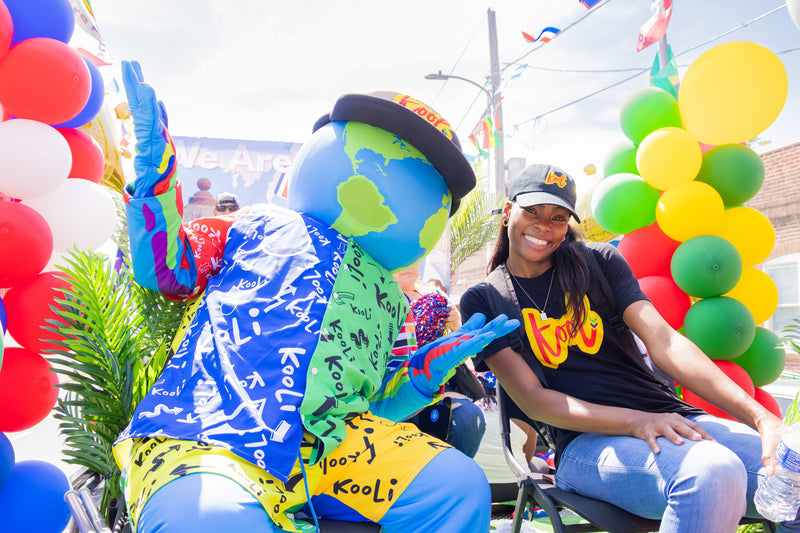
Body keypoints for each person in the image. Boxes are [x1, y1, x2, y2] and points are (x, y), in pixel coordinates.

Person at [114, 60, 519, 533]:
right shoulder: (252, 224)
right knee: (209, 519)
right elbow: (166, 268)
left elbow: (371, 403)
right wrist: (155, 177)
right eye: (375, 149)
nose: (390, 181)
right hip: (210, 431)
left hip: (333, 451)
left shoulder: (390, 296)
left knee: (455, 486)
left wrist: (422, 374)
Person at [459, 163, 798, 532]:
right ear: (508, 211)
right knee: (712, 471)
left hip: (670, 418)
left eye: (558, 217)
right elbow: (534, 400)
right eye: (532, 211)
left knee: (792, 471)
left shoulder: (598, 263)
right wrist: (638, 423)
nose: (544, 226)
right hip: (586, 443)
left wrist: (762, 417)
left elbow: (665, 341)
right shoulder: (486, 299)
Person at [392, 263, 487, 458]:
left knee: (466, 418)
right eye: (404, 257)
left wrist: (455, 327)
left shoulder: (433, 298)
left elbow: (464, 353)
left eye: (415, 257)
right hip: (392, 389)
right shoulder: (373, 296)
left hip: (436, 382)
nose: (409, 264)